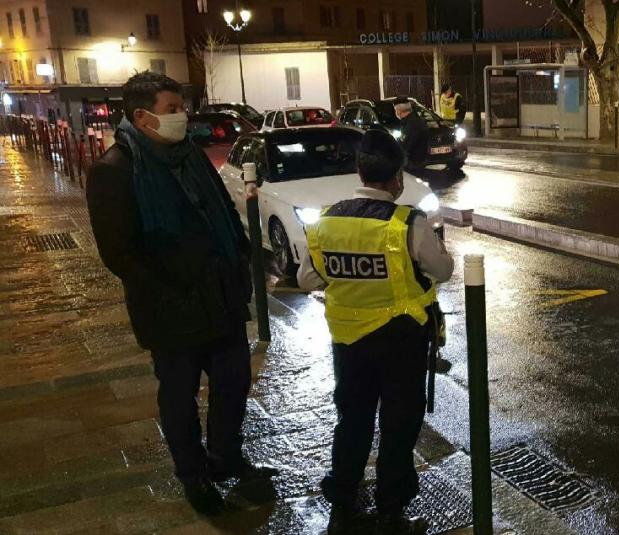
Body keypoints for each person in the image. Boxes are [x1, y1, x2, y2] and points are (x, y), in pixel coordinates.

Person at [85, 72, 274, 516]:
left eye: (180, 108)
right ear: (141, 116)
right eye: (171, 109)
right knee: (179, 396)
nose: (181, 117)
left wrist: (243, 256)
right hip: (171, 308)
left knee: (233, 383)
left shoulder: (188, 155)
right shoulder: (115, 170)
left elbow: (222, 211)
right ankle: (193, 475)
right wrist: (171, 287)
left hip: (221, 296)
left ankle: (226, 455)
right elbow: (119, 253)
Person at [298, 129, 453, 533]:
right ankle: (391, 507)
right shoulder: (406, 224)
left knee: (353, 419)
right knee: (399, 425)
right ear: (398, 178)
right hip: (401, 339)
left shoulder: (327, 220)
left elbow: (307, 280)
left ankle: (344, 496)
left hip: (348, 342)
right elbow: (443, 271)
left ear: (360, 172)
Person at [394, 98, 430, 176]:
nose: (396, 113)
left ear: (399, 111)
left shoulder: (412, 124)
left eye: (395, 110)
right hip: (416, 162)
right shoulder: (412, 120)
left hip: (414, 164)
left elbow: (406, 145)